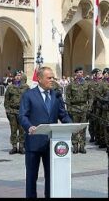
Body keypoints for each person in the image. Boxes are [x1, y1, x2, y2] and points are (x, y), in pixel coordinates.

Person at [19, 66, 72, 198]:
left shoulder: (56, 96)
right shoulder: (29, 95)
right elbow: (23, 116)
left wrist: (71, 125)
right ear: (40, 79)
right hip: (34, 142)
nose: (52, 80)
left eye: (53, 77)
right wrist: (29, 126)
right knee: (32, 177)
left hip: (52, 144)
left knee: (51, 177)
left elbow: (63, 115)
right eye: (49, 78)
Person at [4, 70, 30, 154]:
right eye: (16, 75)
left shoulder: (26, 87)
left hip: (22, 111)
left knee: (22, 129)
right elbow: (6, 100)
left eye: (19, 75)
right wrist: (8, 110)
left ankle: (21, 146)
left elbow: (29, 99)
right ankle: (14, 146)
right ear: (14, 77)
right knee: (13, 129)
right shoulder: (10, 87)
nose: (18, 77)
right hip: (12, 111)